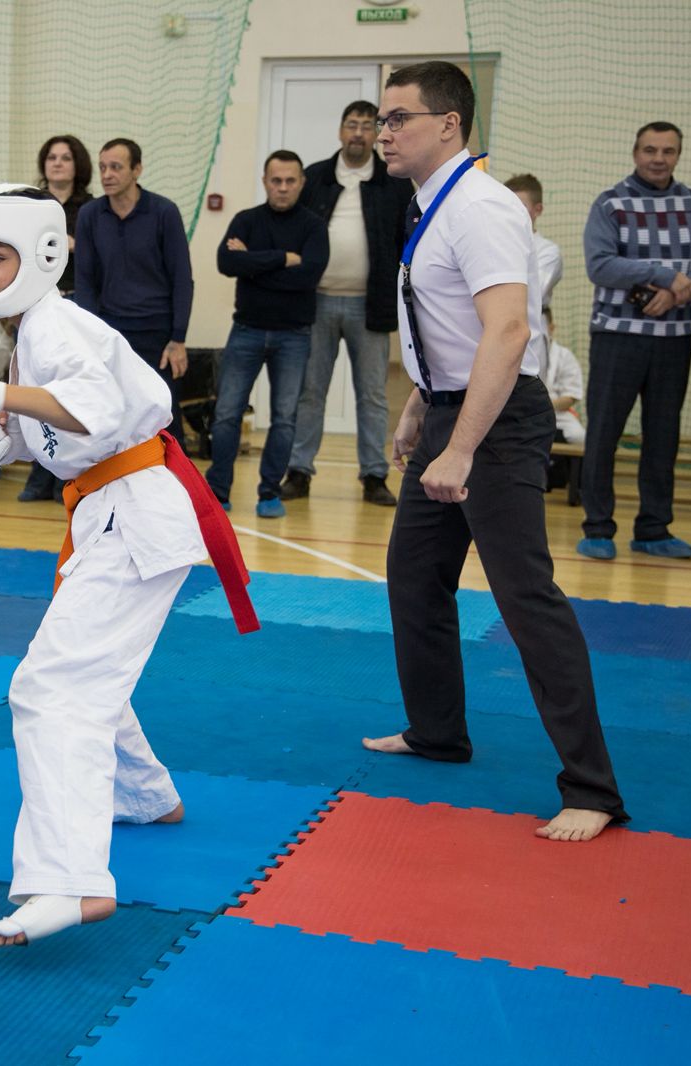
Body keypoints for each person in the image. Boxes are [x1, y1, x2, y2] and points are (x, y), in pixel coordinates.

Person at [0, 184, 257, 947]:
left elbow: (96, 413)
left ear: (42, 256)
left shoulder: (58, 326)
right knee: (85, 672)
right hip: (116, 515)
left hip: (134, 514)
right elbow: (30, 436)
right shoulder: (25, 331)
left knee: (49, 688)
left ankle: (69, 883)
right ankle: (145, 796)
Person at [360, 61, 627, 843]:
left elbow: (510, 331)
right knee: (414, 577)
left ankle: (593, 788)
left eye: (399, 118)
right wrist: (423, 407)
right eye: (383, 118)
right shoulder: (433, 205)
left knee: (525, 598)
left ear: (448, 124)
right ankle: (437, 732)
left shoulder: (480, 207)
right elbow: (453, 326)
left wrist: (463, 447)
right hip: (452, 412)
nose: (384, 132)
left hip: (498, 424)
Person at [577, 121, 691, 561]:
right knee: (603, 432)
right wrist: (663, 276)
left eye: (668, 151)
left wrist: (685, 288)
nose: (659, 158)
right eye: (650, 150)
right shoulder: (611, 203)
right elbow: (600, 266)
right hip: (617, 337)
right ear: (635, 152)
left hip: (674, 339)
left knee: (663, 435)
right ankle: (598, 528)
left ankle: (653, 529)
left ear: (678, 154)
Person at [283, 101, 413, 507]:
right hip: (316, 302)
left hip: (369, 304)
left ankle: (374, 475)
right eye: (351, 125)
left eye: (366, 127)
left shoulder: (393, 181)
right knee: (310, 391)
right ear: (340, 131)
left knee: (373, 394)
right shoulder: (316, 177)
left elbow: (404, 242)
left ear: (376, 134)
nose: (358, 133)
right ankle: (299, 470)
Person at [207, 150, 328, 517]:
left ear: (301, 183)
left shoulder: (313, 226)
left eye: (290, 181)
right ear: (265, 182)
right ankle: (218, 491)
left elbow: (308, 276)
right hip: (246, 330)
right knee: (227, 413)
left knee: (285, 417)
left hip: (294, 335)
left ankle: (269, 493)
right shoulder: (246, 220)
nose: (283, 187)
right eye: (276, 180)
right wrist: (281, 258)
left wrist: (253, 262)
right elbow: (226, 263)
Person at [73, 138, 193, 442]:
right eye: (102, 167)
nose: (107, 175)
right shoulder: (90, 215)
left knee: (163, 415)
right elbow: (85, 280)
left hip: (157, 332)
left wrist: (178, 338)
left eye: (116, 167)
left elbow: (182, 278)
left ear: (136, 170)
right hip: (111, 332)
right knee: (109, 414)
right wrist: (90, 334)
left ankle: (176, 485)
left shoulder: (164, 212)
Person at [18, 135, 94, 503]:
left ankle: (71, 476)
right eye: (51, 157)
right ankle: (38, 474)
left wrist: (72, 244)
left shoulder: (92, 209)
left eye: (65, 157)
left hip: (78, 307)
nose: (58, 163)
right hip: (37, 305)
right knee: (37, 389)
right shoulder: (31, 204)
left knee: (71, 393)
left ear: (77, 164)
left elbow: (98, 257)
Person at [503, 174, 562, 309]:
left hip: (533, 327)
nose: (511, 213)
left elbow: (531, 296)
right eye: (506, 206)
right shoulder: (495, 244)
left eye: (519, 206)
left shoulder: (548, 251)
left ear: (538, 210)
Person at [540, 308, 584, 445]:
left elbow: (571, 396)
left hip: (557, 414)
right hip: (524, 414)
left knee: (579, 436)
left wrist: (542, 406)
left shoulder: (565, 356)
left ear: (551, 328)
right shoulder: (522, 354)